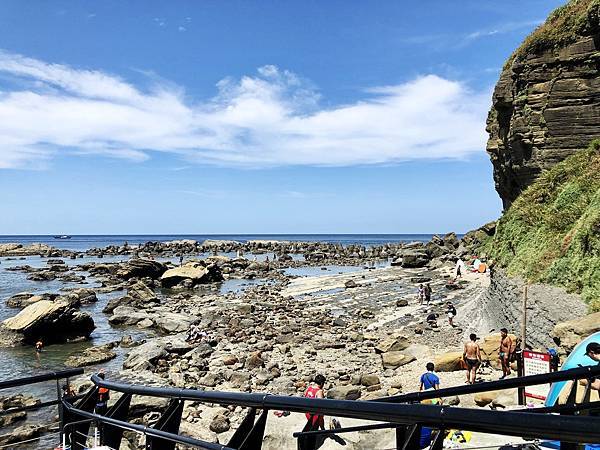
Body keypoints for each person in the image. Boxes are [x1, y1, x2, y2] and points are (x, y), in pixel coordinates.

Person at [298, 374, 326, 450]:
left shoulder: (309, 388)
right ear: (321, 383)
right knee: (314, 429)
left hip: (307, 412)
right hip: (314, 414)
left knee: (310, 426)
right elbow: (321, 407)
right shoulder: (319, 391)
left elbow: (305, 397)